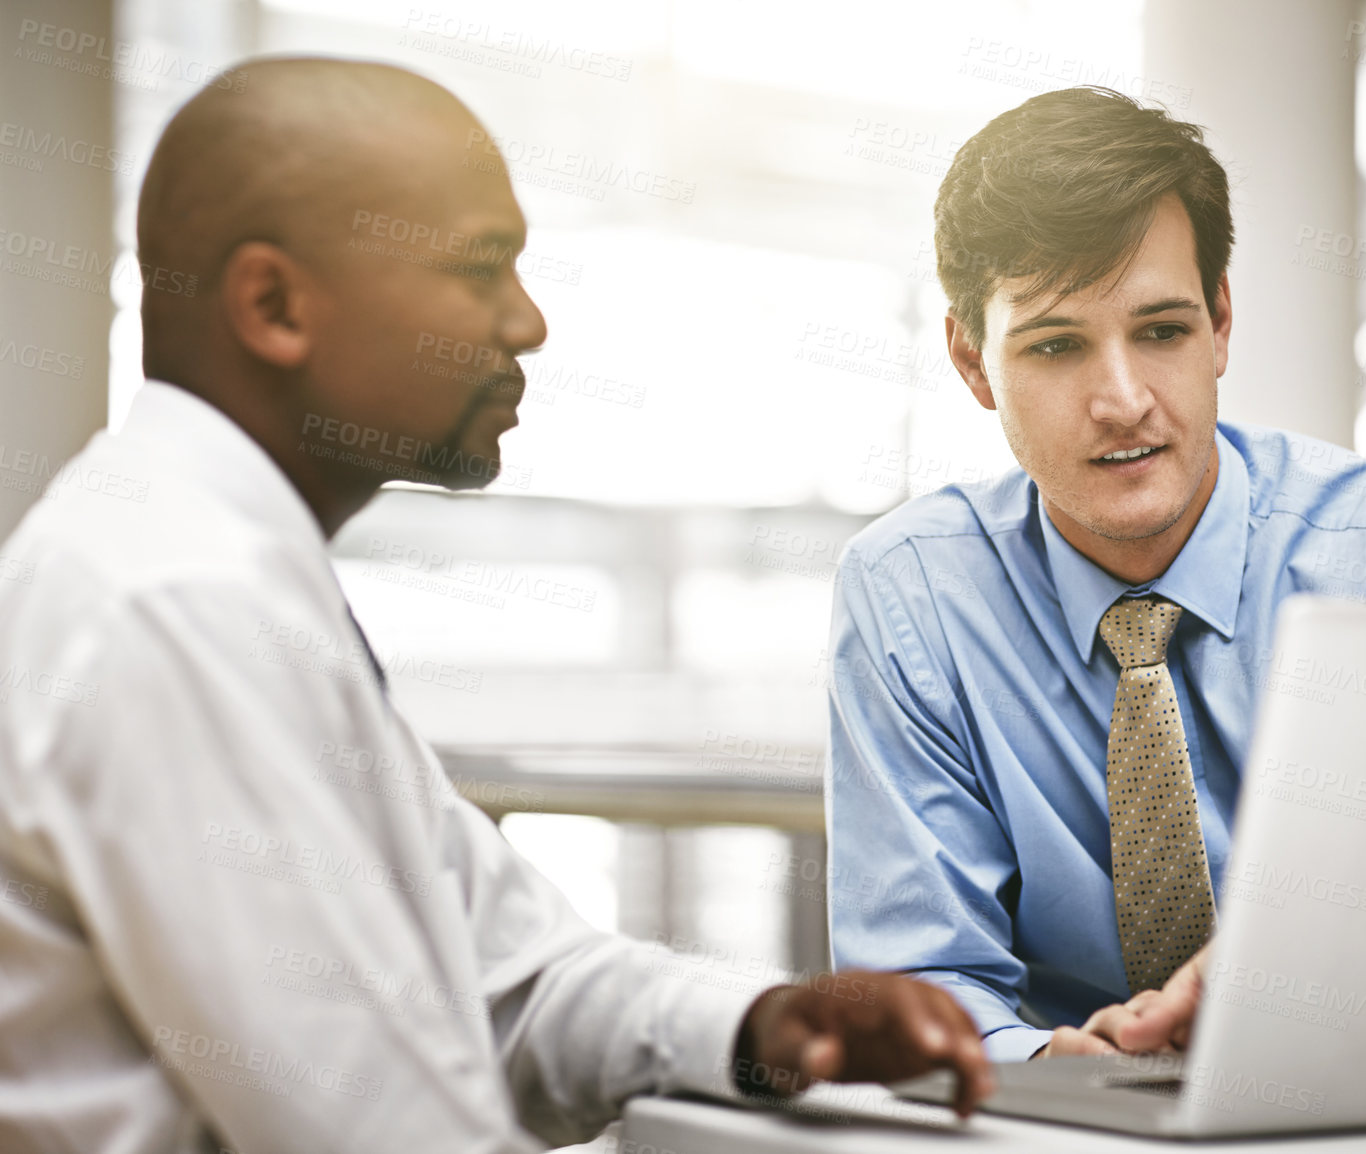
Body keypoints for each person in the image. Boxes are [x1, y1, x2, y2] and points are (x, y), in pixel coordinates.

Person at [0, 58, 990, 1153]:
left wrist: (765, 1022)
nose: (527, 324)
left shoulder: (223, 573)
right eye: (481, 269)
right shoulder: (174, 599)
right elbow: (382, 1126)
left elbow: (511, 980)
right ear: (274, 305)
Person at [825, 86, 1366, 1063]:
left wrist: (1298, 986)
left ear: (1218, 324)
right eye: (1055, 345)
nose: (1122, 401)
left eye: (1160, 331)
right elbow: (918, 978)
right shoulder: (912, 596)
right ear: (972, 360)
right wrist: (1039, 1064)